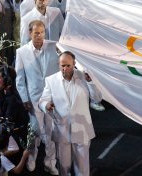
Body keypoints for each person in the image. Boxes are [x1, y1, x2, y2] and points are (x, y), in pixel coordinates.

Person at [39, 51, 102, 176]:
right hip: (62, 129)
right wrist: (46, 105)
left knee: (83, 168)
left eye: (68, 65)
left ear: (74, 64)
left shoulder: (85, 77)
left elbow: (97, 99)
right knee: (64, 167)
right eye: (62, 65)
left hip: (82, 129)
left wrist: (91, 83)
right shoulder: (51, 80)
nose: (64, 68)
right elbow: (42, 100)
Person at [15, 20, 59, 174]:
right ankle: (31, 158)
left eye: (42, 32)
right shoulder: (21, 52)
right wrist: (25, 99)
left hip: (52, 99)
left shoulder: (55, 46)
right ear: (30, 33)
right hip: (33, 101)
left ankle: (50, 163)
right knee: (34, 131)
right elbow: (20, 80)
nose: (39, 36)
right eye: (36, 33)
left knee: (52, 132)